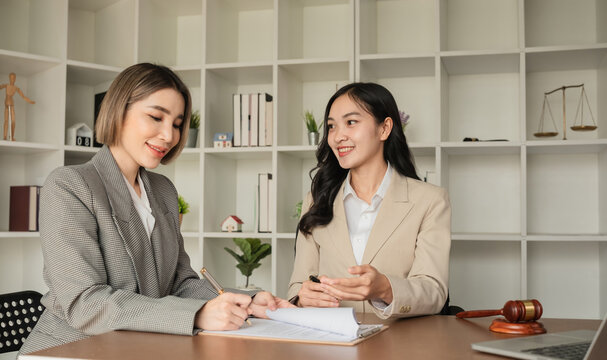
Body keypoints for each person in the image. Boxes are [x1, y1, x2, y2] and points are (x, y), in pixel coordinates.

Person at [20, 63, 291, 355]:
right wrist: (197, 314)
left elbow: (181, 283)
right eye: (155, 117)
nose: (168, 135)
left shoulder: (162, 190)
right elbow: (85, 303)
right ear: (118, 111)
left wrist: (246, 301)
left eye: (176, 123)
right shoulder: (69, 185)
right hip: (70, 349)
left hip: (135, 346)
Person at [287, 82, 451, 319]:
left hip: (401, 345)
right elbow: (297, 286)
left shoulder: (430, 200)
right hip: (332, 345)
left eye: (351, 122)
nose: (337, 136)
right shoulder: (316, 200)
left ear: (384, 129)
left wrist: (385, 288)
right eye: (331, 127)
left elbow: (434, 291)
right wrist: (303, 297)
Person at [2, 72, 35, 141]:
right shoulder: (6, 85)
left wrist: (30, 101)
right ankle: (4, 136)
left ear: (15, 79)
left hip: (12, 104)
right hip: (6, 104)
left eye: (13, 78)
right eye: (11, 78)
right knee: (6, 121)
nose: (12, 80)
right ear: (9, 78)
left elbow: (23, 96)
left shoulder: (16, 88)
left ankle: (11, 136)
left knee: (13, 121)